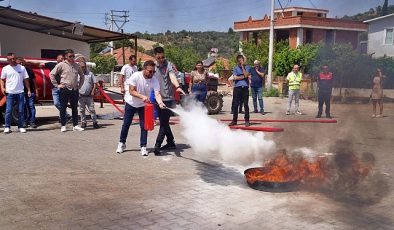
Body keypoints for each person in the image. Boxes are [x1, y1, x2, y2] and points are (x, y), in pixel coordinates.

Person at [116, 60, 166, 156]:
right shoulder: (136, 76)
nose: (152, 73)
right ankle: (121, 143)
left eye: (153, 71)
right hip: (131, 103)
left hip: (143, 105)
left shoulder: (154, 80)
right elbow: (131, 91)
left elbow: (157, 93)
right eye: (150, 71)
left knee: (144, 126)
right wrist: (143, 97)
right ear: (144, 69)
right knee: (126, 124)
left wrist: (160, 102)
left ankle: (143, 146)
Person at [152, 46, 186, 156]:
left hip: (167, 99)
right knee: (164, 122)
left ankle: (157, 146)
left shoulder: (168, 65)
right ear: (155, 56)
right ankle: (171, 142)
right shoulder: (153, 66)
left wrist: (177, 86)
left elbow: (172, 77)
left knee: (163, 123)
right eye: (159, 57)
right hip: (157, 98)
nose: (161, 59)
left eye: (163, 57)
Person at [50, 49, 85, 132]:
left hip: (74, 89)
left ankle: (75, 125)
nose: (72, 57)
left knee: (74, 108)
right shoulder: (61, 65)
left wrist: (79, 86)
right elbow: (52, 74)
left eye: (73, 56)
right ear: (66, 56)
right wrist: (57, 85)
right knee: (63, 108)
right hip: (64, 89)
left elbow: (82, 76)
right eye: (70, 56)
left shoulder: (77, 65)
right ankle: (63, 125)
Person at [0, 53, 31, 133]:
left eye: (14, 58)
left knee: (21, 110)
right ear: (8, 60)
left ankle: (20, 126)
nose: (13, 60)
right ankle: (7, 127)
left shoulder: (22, 68)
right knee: (8, 110)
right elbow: (2, 79)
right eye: (11, 59)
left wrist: (29, 90)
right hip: (10, 92)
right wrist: (2, 87)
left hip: (20, 92)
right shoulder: (5, 68)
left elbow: (26, 79)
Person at [228, 55, 251, 127]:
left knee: (246, 105)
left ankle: (247, 121)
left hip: (245, 88)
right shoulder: (235, 68)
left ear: (243, 60)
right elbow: (235, 77)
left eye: (241, 60)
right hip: (237, 88)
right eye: (239, 60)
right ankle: (234, 120)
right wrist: (243, 77)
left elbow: (246, 75)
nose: (240, 61)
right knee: (235, 105)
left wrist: (242, 67)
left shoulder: (247, 67)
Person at [16, 57, 39, 128]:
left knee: (31, 106)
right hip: (21, 92)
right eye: (19, 63)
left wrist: (36, 92)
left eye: (22, 62)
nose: (21, 64)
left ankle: (32, 121)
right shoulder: (16, 71)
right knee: (23, 107)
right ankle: (24, 122)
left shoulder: (29, 70)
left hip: (30, 92)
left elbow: (34, 82)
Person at [78, 61, 99, 129]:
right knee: (82, 110)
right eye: (82, 67)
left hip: (89, 96)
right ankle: (83, 122)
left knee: (92, 110)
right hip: (80, 96)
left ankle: (95, 122)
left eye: (84, 67)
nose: (83, 68)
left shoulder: (90, 74)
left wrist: (93, 91)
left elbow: (95, 83)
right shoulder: (77, 75)